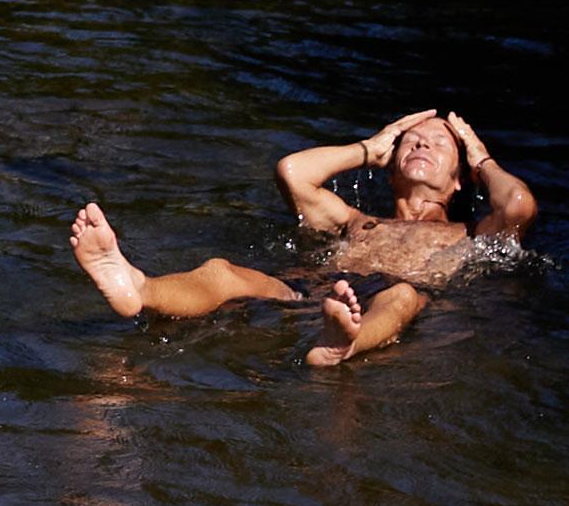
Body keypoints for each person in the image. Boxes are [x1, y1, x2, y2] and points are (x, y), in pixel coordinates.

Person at [69, 110, 536, 366]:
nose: (420, 144)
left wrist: (480, 158)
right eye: (411, 140)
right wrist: (368, 148)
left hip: (385, 300)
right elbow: (293, 173)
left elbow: (516, 205)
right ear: (389, 169)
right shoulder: (358, 222)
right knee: (223, 272)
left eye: (439, 143)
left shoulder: (470, 232)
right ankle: (138, 287)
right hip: (311, 292)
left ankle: (345, 344)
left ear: (460, 180)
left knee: (405, 295)